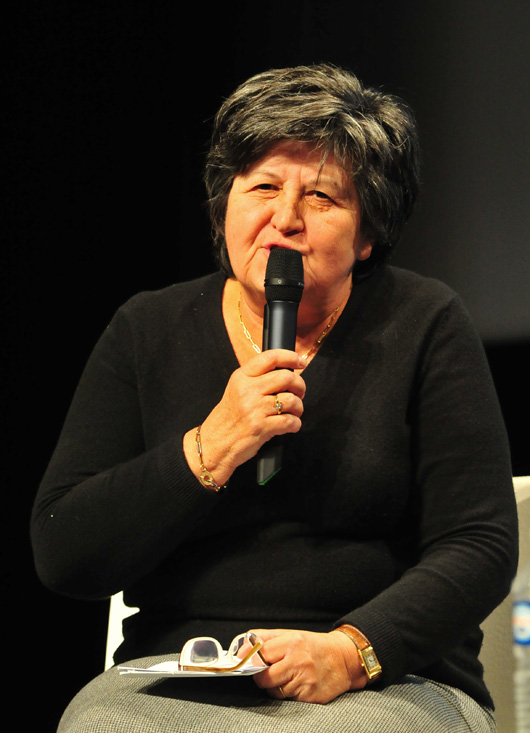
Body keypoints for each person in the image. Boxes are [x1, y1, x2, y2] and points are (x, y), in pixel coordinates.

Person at [31, 63, 518, 732]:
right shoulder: (146, 328)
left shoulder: (425, 322)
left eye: (321, 196)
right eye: (262, 186)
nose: (284, 219)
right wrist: (210, 446)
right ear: (223, 207)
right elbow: (64, 552)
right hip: (181, 677)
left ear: (367, 233)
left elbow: (480, 543)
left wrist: (351, 651)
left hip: (385, 676)